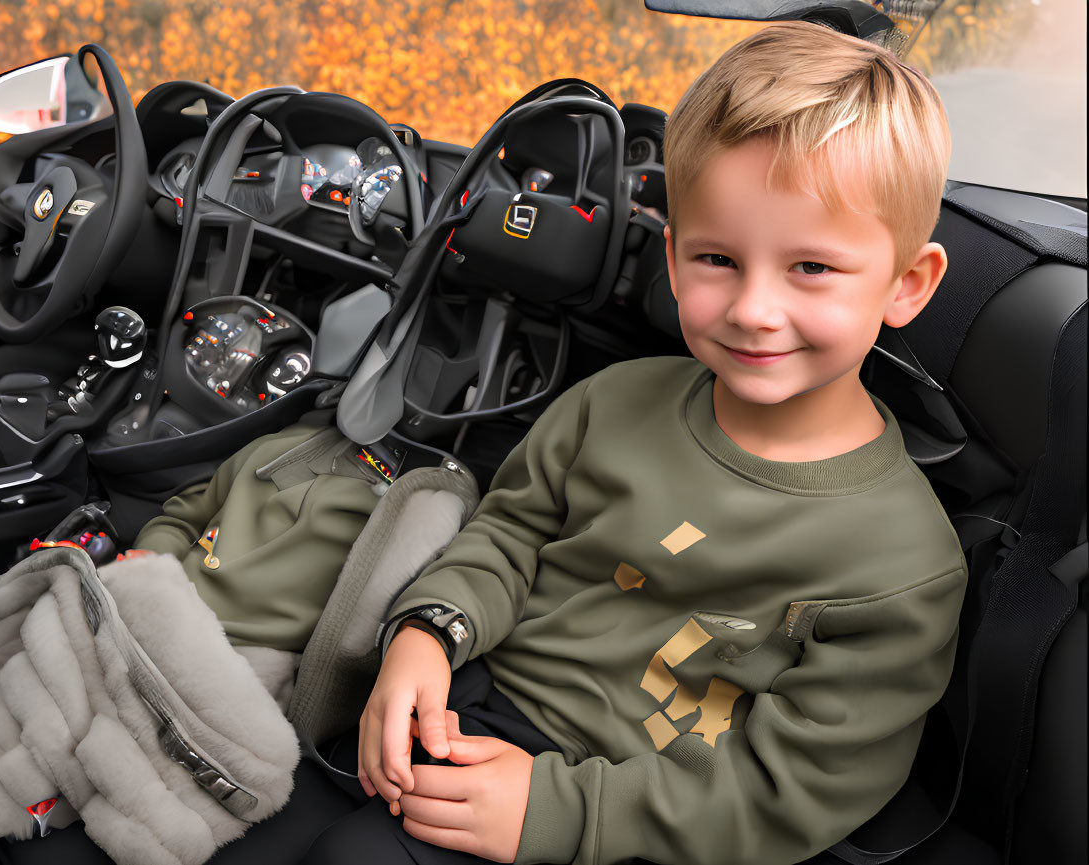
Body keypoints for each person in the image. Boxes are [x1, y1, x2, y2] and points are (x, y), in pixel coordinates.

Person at [294, 19, 968, 865]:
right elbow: (509, 536)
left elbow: (786, 790)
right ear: (676, 261)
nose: (756, 308)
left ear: (907, 284)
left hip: (634, 818)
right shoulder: (612, 404)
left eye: (811, 269)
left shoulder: (904, 564)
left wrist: (561, 811)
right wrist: (430, 632)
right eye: (720, 259)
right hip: (473, 704)